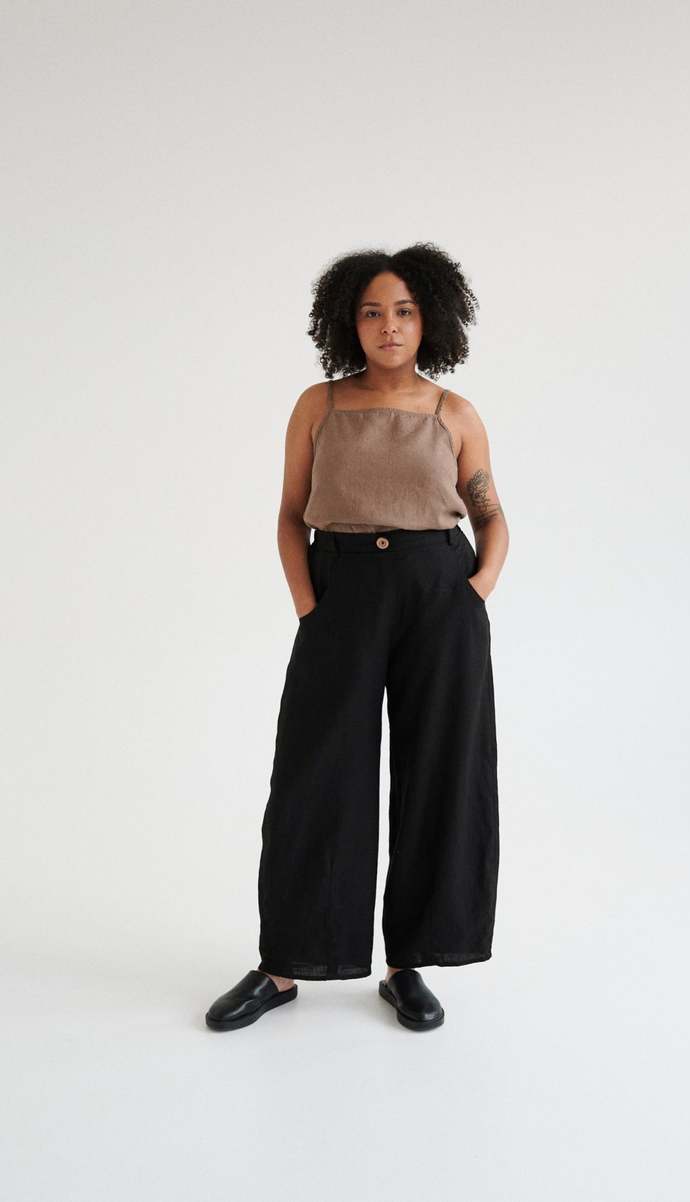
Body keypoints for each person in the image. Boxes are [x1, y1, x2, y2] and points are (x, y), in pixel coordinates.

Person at [205, 242, 508, 1033]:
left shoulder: (454, 414)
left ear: (430, 320)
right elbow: (288, 513)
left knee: (439, 770)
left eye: (404, 311)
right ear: (350, 322)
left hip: (439, 594)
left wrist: (473, 593)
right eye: (373, 312)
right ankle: (284, 966)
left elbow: (491, 517)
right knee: (316, 773)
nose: (388, 325)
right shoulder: (321, 405)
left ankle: (410, 962)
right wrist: (310, 605)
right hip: (340, 592)